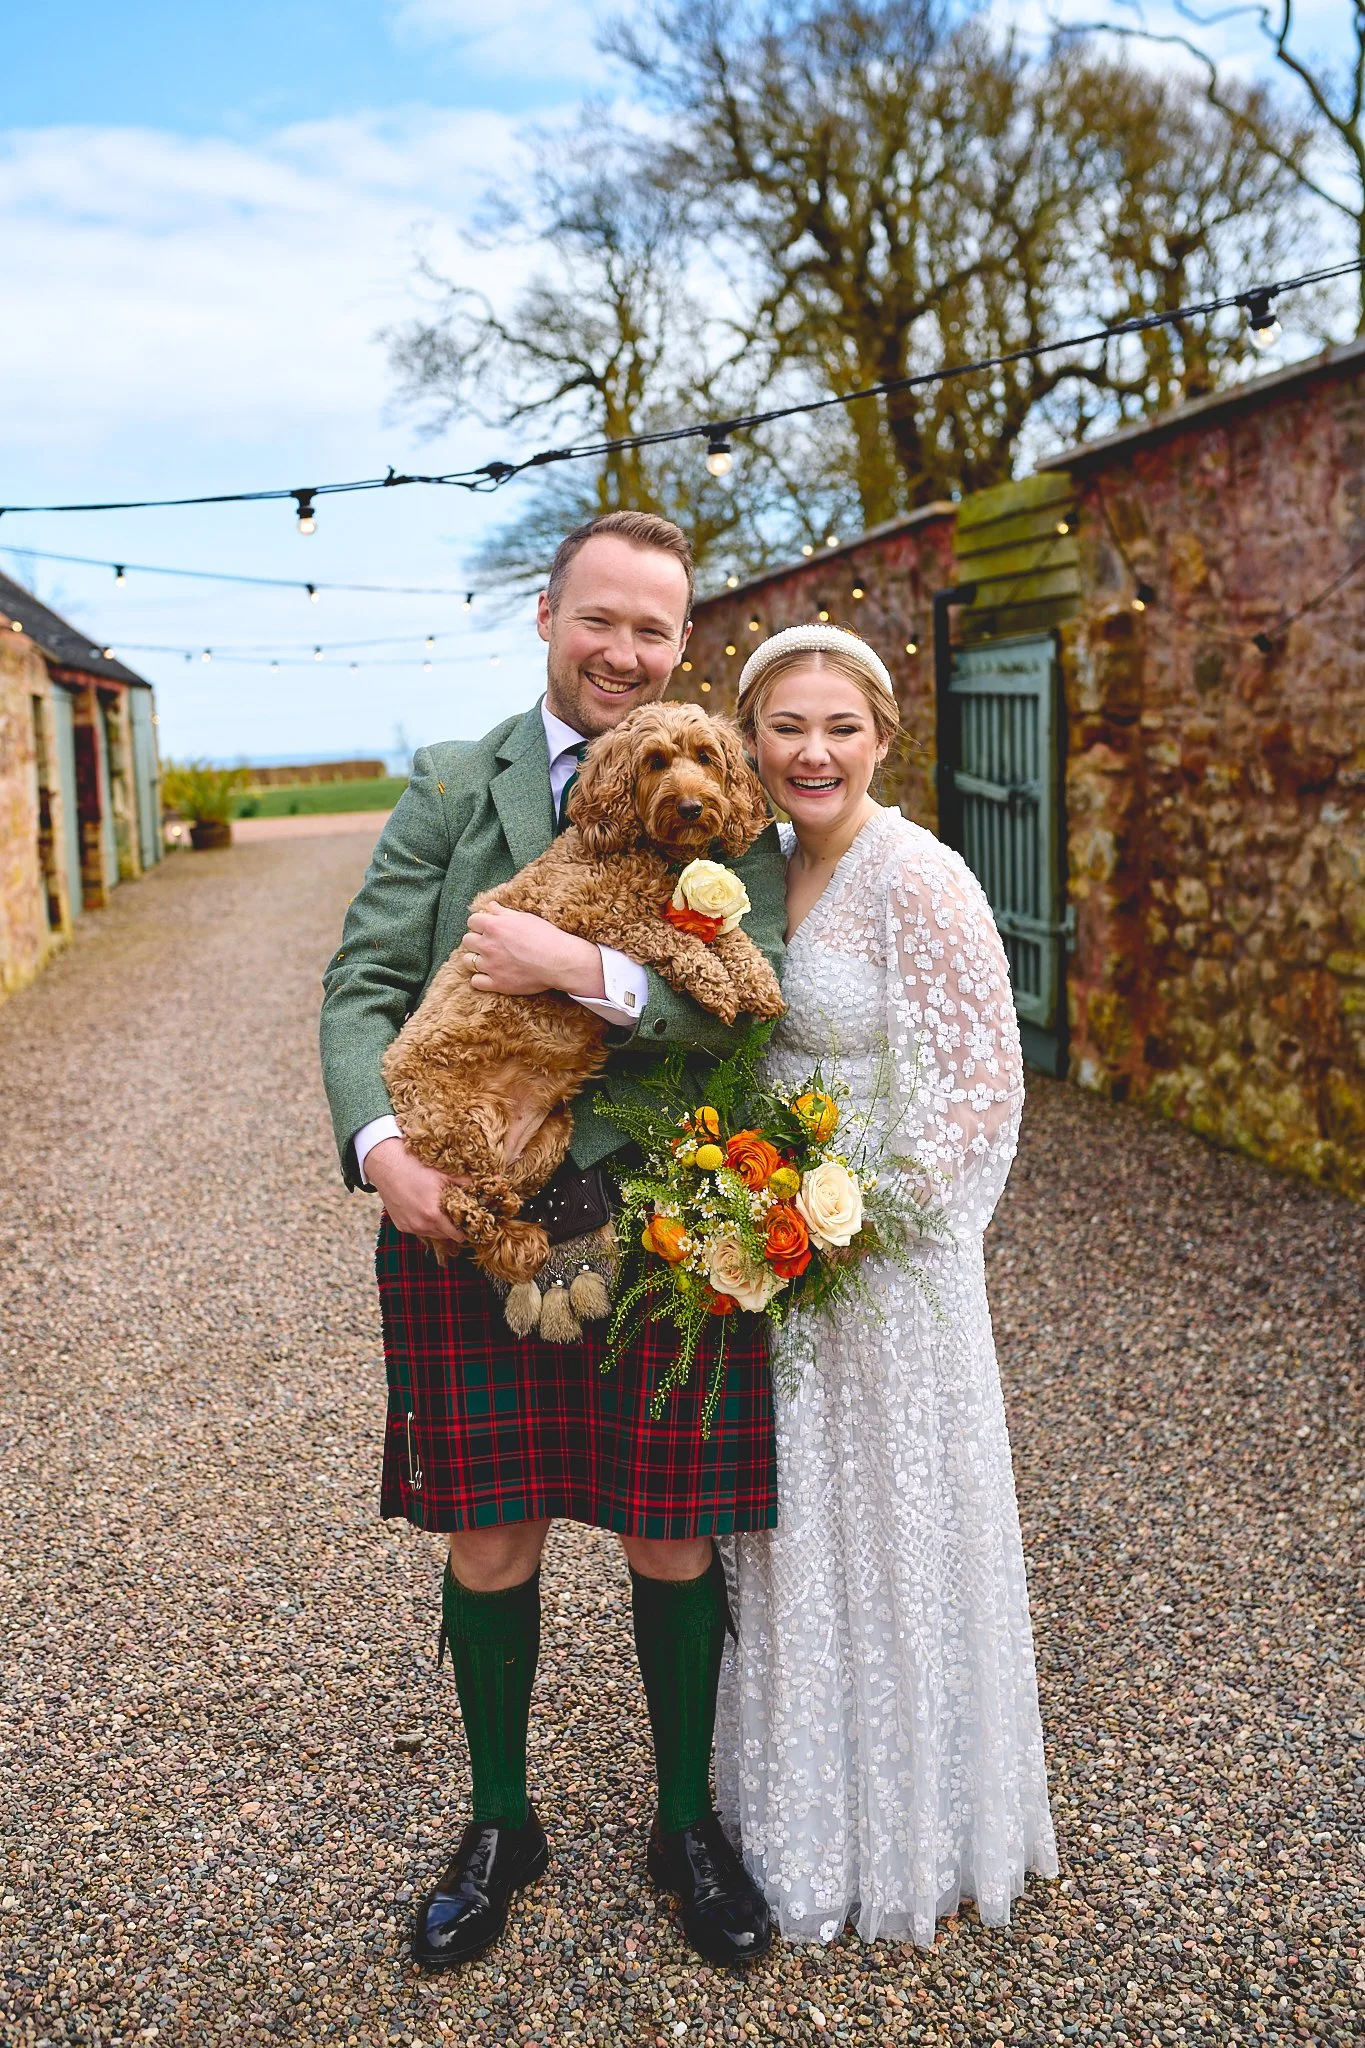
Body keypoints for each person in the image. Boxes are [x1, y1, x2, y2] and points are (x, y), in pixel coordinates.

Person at [319, 512, 785, 1970]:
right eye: (601, 619)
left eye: (654, 629)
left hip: (666, 1218)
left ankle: (685, 1823)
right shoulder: (458, 781)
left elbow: (747, 998)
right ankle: (500, 1821)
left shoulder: (726, 795)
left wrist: (583, 965)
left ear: (682, 643)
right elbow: (364, 981)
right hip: (471, 1211)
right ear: (547, 615)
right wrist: (380, 1149)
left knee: (671, 1528)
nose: (624, 652)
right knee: (491, 1526)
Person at [714, 622, 1058, 1945]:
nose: (813, 752)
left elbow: (982, 1088)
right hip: (771, 1249)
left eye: (839, 728)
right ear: (753, 739)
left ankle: (916, 1825)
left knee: (896, 1523)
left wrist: (851, 1217)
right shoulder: (755, 868)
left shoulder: (921, 876)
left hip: (884, 1264)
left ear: (881, 739)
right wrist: (746, 1208)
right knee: (795, 1524)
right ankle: (801, 1810)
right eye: (787, 727)